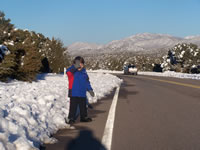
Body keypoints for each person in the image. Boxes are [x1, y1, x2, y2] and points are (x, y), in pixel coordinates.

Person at [66, 56, 95, 125]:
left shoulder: (84, 73)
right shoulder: (72, 72)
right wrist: (74, 67)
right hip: (74, 93)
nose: (80, 65)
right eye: (78, 63)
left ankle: (83, 117)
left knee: (83, 106)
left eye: (81, 63)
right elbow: (68, 73)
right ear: (74, 63)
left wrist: (90, 90)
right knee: (73, 107)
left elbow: (87, 82)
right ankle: (71, 118)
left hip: (82, 93)